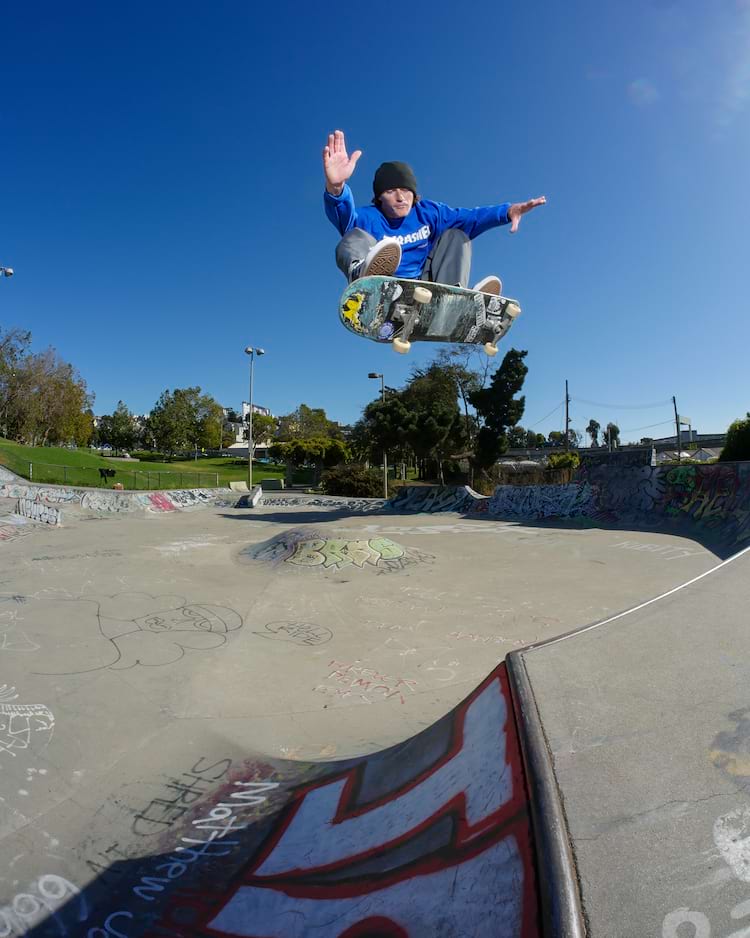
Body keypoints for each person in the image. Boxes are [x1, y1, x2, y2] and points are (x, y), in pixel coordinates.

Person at [323, 129, 546, 294]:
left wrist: (508, 211)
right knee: (352, 235)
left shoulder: (429, 213)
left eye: (405, 191)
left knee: (457, 235)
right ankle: (362, 276)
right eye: (391, 191)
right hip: (385, 288)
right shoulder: (368, 217)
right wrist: (336, 187)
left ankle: (453, 297)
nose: (401, 198)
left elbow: (471, 217)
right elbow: (342, 213)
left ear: (414, 192)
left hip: (425, 286)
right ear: (380, 196)